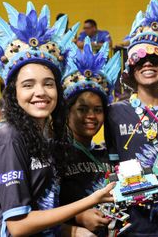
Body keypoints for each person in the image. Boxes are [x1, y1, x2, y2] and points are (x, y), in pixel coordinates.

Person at [0, 2, 114, 236]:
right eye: (28, 85)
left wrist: (71, 231)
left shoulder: (43, 136)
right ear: (14, 93)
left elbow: (42, 208)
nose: (40, 92)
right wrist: (90, 201)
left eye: (48, 84)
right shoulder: (10, 138)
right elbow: (18, 224)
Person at [105, 0, 158, 236]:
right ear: (131, 69)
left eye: (154, 58)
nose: (147, 64)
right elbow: (111, 171)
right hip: (133, 225)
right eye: (140, 60)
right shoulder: (115, 113)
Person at [59, 37, 121, 236]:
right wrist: (78, 218)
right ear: (67, 112)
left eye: (97, 109)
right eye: (82, 109)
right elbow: (39, 209)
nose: (91, 116)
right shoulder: (55, 154)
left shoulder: (107, 153)